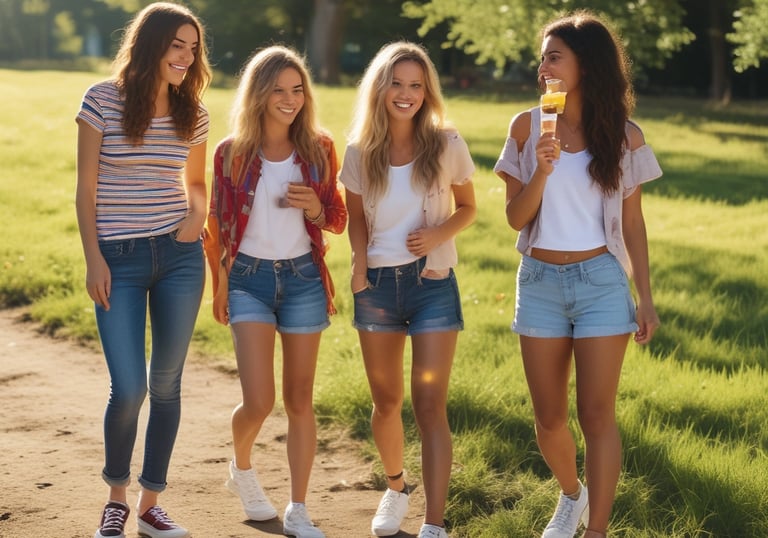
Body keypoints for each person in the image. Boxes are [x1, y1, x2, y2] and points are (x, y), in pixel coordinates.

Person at [494, 10, 662, 538]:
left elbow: (632, 225)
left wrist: (646, 299)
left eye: (554, 56)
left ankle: (597, 530)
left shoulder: (624, 136)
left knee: (597, 415)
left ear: (585, 65)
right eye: (542, 57)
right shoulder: (526, 127)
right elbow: (515, 219)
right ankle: (572, 495)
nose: (542, 66)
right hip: (539, 283)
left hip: (601, 284)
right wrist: (541, 172)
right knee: (548, 419)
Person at [75, 3, 211, 538]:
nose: (186, 56)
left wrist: (194, 220)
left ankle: (152, 503)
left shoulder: (192, 111)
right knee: (129, 387)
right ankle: (116, 496)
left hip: (179, 257)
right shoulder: (101, 100)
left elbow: (196, 185)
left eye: (193, 47)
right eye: (177, 45)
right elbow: (86, 189)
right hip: (119, 260)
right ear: (150, 44)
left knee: (167, 384)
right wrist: (93, 259)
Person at [203, 45, 347, 538]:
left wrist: (313, 210)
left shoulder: (319, 149)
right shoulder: (232, 154)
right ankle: (241, 468)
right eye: (279, 90)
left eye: (297, 89)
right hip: (248, 280)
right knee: (260, 400)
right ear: (259, 94)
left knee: (301, 399)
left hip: (304, 279)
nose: (290, 99)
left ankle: (299, 508)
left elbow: (338, 219)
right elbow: (215, 227)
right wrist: (219, 285)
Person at [339, 41, 477, 538]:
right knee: (386, 403)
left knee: (429, 405)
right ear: (379, 88)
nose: (406, 93)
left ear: (427, 91)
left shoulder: (445, 143)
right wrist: (358, 264)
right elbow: (354, 218)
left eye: (416, 85)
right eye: (396, 83)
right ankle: (396, 487)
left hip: (432, 286)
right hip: (375, 287)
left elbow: (468, 207)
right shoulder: (359, 152)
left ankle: (433, 525)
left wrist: (439, 235)